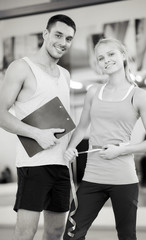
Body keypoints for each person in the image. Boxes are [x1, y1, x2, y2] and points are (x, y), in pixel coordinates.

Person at [63, 38, 146, 240]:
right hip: (92, 176)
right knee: (72, 234)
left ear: (123, 55)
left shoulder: (139, 95)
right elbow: (81, 128)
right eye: (101, 58)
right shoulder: (93, 92)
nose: (106, 60)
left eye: (111, 54)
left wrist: (121, 150)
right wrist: (70, 148)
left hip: (123, 178)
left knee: (126, 236)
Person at [0, 14, 76, 240]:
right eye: (58, 35)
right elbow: (1, 114)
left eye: (69, 39)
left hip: (62, 164)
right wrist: (37, 134)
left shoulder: (65, 75)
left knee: (55, 232)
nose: (63, 42)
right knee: (26, 232)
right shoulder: (21, 67)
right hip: (34, 165)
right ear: (45, 34)